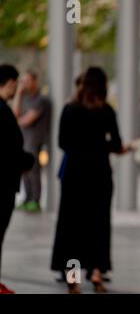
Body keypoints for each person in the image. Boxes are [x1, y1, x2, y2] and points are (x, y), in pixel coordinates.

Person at [50, 67, 130, 294]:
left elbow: (62, 142)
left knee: (72, 227)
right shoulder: (107, 111)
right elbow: (116, 144)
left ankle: (73, 280)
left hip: (74, 176)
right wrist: (100, 146)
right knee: (99, 226)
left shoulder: (70, 109)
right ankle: (96, 275)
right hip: (99, 175)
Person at [0, 64, 34, 294]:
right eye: (14, 84)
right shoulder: (1, 112)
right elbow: (9, 149)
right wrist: (28, 161)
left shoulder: (4, 109)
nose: (16, 89)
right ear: (8, 82)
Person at [12, 70, 51, 212]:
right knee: (23, 170)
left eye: (27, 81)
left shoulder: (41, 100)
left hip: (35, 139)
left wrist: (16, 120)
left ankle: (36, 199)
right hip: (23, 139)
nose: (24, 85)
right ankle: (27, 197)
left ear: (35, 81)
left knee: (34, 170)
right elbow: (15, 114)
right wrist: (19, 94)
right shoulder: (24, 98)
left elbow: (26, 120)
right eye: (22, 82)